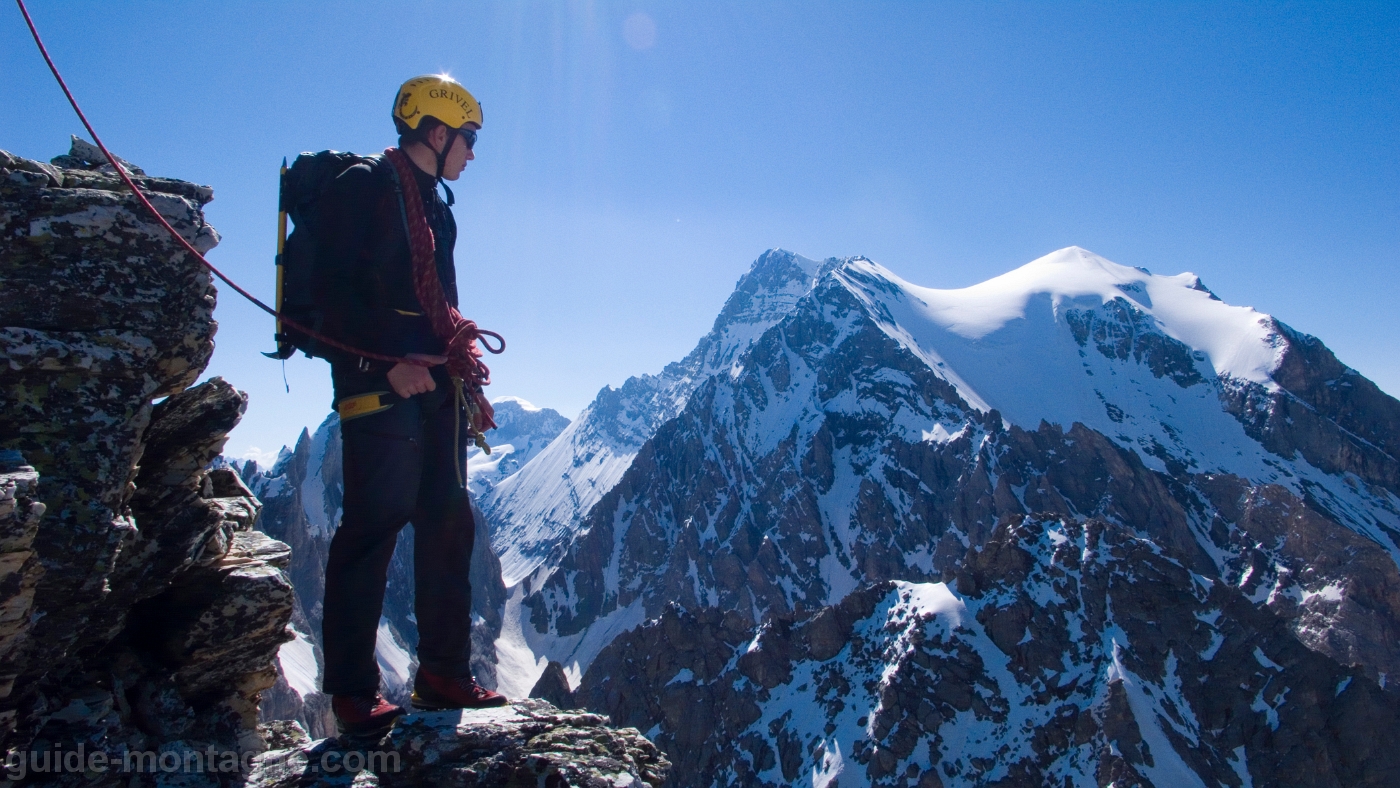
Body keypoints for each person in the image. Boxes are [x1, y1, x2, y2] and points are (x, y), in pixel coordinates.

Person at [313, 74, 507, 735]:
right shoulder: (363, 188)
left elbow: (440, 308)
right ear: (436, 132)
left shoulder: (436, 207)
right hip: (377, 382)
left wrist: (465, 381)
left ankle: (444, 673)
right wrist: (381, 363)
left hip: (434, 387)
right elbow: (321, 301)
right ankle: (351, 691)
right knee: (375, 521)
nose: (472, 154)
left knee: (449, 520)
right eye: (468, 139)